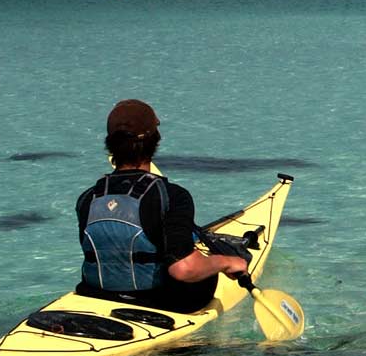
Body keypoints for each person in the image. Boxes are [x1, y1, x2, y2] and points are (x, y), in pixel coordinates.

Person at [75, 98, 253, 313]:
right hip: (159, 302)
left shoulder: (88, 198)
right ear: (155, 141)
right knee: (202, 271)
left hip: (95, 295)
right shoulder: (172, 196)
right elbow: (183, 269)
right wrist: (226, 262)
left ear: (111, 145)